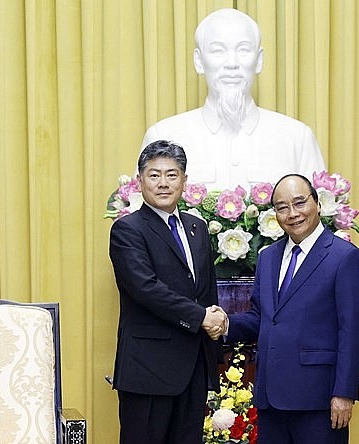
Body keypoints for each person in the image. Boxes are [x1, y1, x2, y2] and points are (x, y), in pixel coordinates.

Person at [225, 174, 359, 444]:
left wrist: (344, 393)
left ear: (316, 203)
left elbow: (353, 331)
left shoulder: (345, 257)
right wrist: (224, 325)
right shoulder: (268, 257)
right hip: (271, 399)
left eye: (299, 203)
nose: (292, 214)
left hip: (320, 400)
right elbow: (263, 318)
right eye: (282, 207)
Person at [109, 140, 228, 444]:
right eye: (154, 175)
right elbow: (145, 288)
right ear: (140, 180)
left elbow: (205, 289)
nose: (163, 183)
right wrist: (201, 317)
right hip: (148, 370)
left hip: (193, 368)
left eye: (172, 175)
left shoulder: (196, 227)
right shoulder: (128, 229)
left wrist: (216, 323)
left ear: (184, 181)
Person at [141, 8, 326, 191]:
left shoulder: (296, 138)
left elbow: (318, 216)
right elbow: (141, 218)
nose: (232, 63)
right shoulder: (164, 135)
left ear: (259, 60)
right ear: (199, 61)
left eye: (243, 50)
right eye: (218, 51)